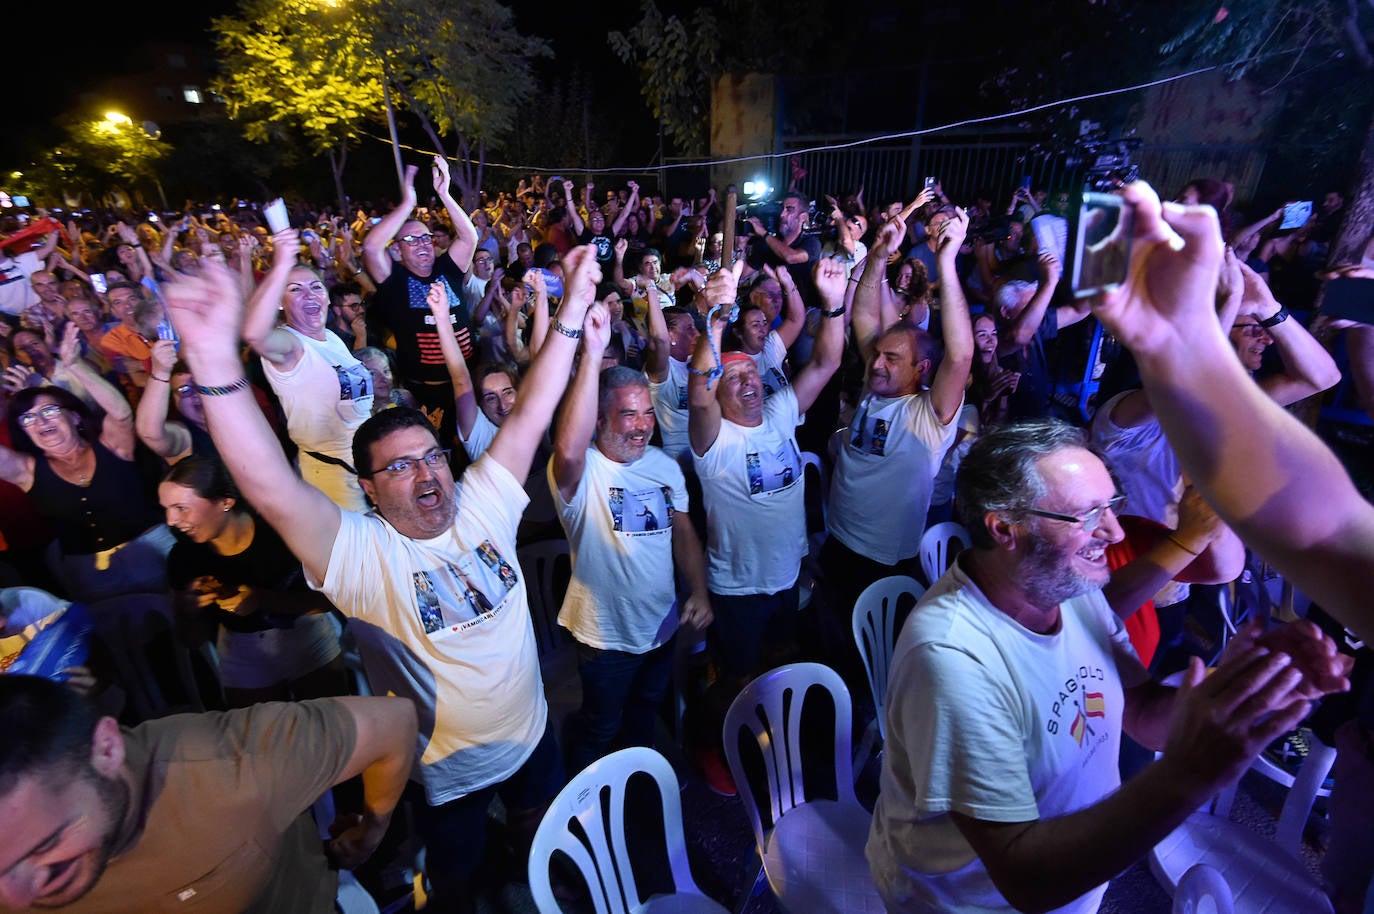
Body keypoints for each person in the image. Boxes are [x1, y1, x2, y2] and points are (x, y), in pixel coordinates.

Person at [161, 245, 603, 912]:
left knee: (543, 847)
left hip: (534, 734)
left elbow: (536, 404)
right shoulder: (361, 555)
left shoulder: (484, 500)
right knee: (461, 886)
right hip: (449, 777)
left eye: (431, 457)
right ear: (366, 488)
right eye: (400, 468)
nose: (428, 475)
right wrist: (216, 362)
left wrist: (573, 304)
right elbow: (271, 486)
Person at [866, 419, 1351, 914]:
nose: (1114, 530)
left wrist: (1246, 682)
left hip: (1073, 883)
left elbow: (1140, 713)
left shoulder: (1068, 589)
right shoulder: (953, 658)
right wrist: (1187, 776)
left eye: (1112, 504)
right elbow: (1024, 879)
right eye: (1087, 513)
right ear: (1005, 528)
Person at [1088, 180, 1374, 648]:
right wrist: (1225, 302)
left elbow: (1321, 378)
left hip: (1184, 577)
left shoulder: (1224, 401)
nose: (1264, 338)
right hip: (1126, 575)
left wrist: (1268, 308)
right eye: (1252, 329)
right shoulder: (1127, 414)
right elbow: (1185, 377)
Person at [0, 673, 415, 913]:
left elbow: (393, 722)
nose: (18, 898)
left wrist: (368, 838)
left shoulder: (228, 764)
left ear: (107, 750)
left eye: (47, 844)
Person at [815, 206, 973, 676]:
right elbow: (862, 310)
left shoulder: (929, 414)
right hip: (838, 545)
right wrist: (880, 250)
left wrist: (947, 263)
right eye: (877, 355)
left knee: (869, 667)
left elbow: (961, 355)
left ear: (921, 370)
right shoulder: (874, 383)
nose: (877, 364)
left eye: (891, 359)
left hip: (882, 563)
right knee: (827, 650)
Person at [549, 330, 712, 773]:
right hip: (606, 638)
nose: (642, 425)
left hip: (661, 627)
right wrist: (588, 356)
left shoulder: (662, 466)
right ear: (599, 421)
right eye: (627, 415)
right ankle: (584, 805)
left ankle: (634, 788)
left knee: (642, 715)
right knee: (600, 726)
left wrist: (698, 589)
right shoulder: (580, 473)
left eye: (646, 413)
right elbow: (566, 446)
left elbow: (682, 531)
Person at [160, 454, 351, 708]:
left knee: (331, 727)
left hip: (307, 637)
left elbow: (332, 600)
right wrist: (186, 612)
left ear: (225, 501)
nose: (170, 521)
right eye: (167, 509)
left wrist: (262, 599)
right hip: (241, 649)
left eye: (181, 508)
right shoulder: (184, 558)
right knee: (263, 742)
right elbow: (192, 640)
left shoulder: (280, 532)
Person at [1, 325, 174, 603]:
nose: (41, 421)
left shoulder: (111, 445)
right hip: (88, 572)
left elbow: (120, 413)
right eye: (29, 419)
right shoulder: (28, 471)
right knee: (121, 642)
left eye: (49, 410)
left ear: (76, 418)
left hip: (153, 551)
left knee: (186, 633)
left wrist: (74, 365)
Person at [243, 231, 374, 513]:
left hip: (365, 464)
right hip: (334, 476)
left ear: (327, 297)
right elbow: (255, 334)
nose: (309, 295)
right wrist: (279, 266)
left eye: (316, 287)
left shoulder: (332, 337)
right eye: (295, 290)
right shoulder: (290, 345)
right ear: (280, 302)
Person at [362, 157, 479, 444]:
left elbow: (469, 238)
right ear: (398, 250)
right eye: (411, 240)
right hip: (427, 390)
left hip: (466, 383)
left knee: (471, 445)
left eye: (425, 237)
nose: (422, 243)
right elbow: (371, 246)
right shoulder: (395, 280)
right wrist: (407, 204)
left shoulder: (446, 268)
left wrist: (445, 194)